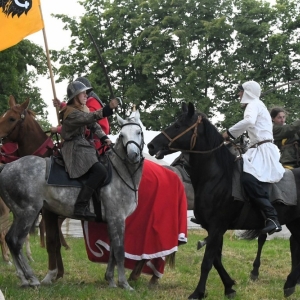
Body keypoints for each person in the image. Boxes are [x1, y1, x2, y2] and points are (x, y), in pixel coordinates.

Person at [222, 80, 285, 235]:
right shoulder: (257, 104)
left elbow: (249, 121)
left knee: (248, 179)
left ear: (247, 92)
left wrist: (228, 133)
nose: (238, 94)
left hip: (263, 150)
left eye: (240, 91)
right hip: (256, 148)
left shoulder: (253, 105)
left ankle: (272, 217)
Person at [56, 80, 119, 220]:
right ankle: (80, 206)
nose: (86, 95)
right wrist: (108, 108)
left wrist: (104, 138)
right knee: (100, 171)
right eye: (83, 93)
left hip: (82, 145)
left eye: (86, 93)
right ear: (75, 96)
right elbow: (90, 117)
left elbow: (94, 125)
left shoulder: (82, 109)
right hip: (74, 148)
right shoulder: (71, 113)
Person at [52, 76, 110, 154]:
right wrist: (61, 105)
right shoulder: (86, 103)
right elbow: (76, 113)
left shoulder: (92, 102)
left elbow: (83, 120)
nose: (85, 95)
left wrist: (59, 129)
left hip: (95, 142)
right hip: (88, 140)